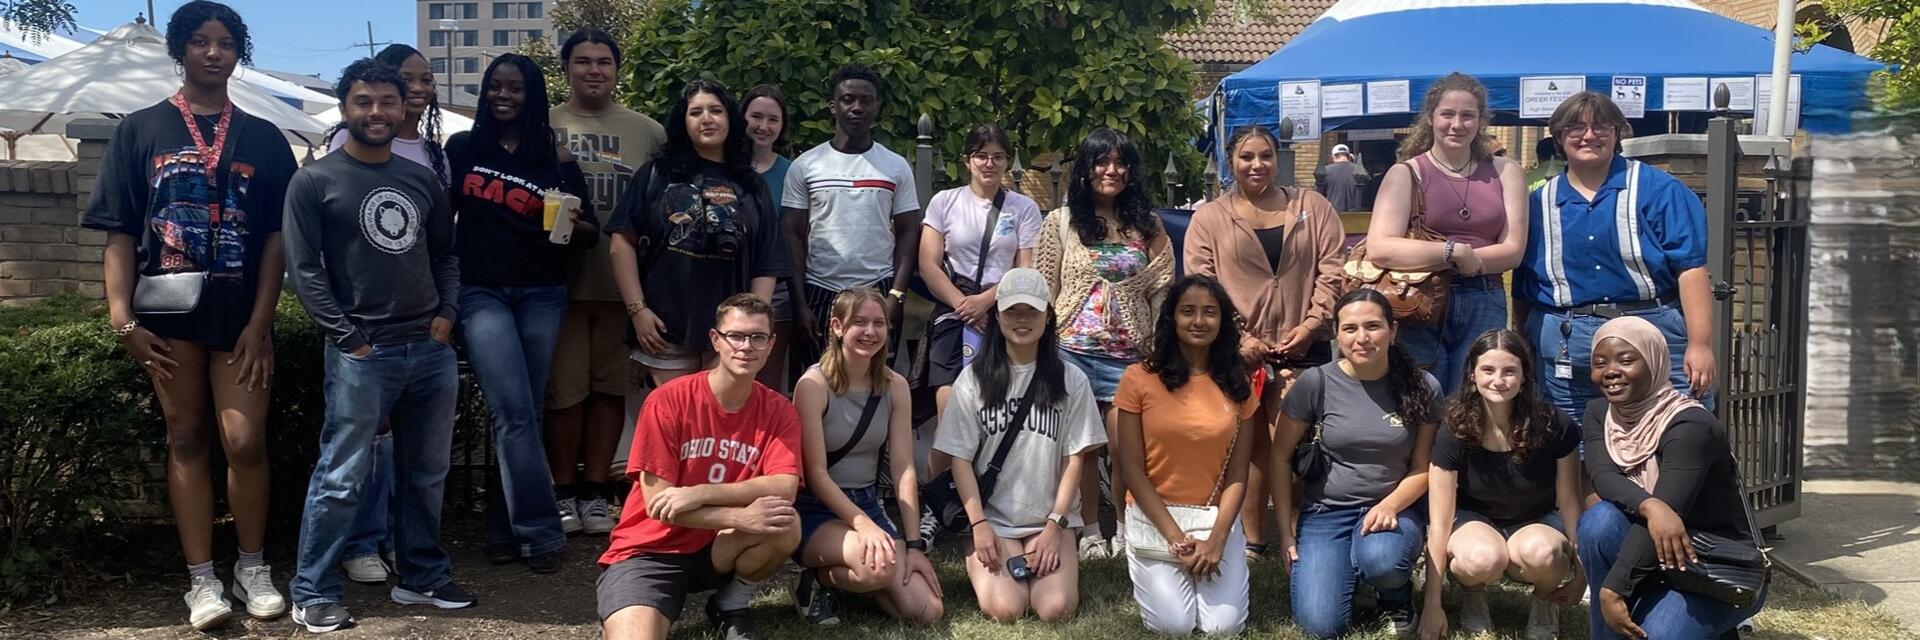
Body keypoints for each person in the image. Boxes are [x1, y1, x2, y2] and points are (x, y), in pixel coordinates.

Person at [81, 1, 294, 629]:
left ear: (238, 53)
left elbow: (278, 238)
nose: (212, 52)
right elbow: (120, 232)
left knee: (244, 440)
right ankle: (201, 581)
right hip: (166, 314)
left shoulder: (263, 137)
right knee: (186, 438)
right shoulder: (139, 131)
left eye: (225, 42)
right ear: (180, 50)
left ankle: (252, 565)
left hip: (238, 316)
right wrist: (122, 319)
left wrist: (262, 321)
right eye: (199, 41)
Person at [285, 58, 471, 633]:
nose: (376, 112)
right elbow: (304, 269)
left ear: (402, 107)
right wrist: (349, 339)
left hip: (429, 348)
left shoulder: (421, 179)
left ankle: (420, 575)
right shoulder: (315, 180)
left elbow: (445, 253)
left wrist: (446, 315)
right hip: (363, 354)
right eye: (363, 101)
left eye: (387, 101)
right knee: (342, 475)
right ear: (346, 108)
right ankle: (312, 588)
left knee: (425, 473)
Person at [446, 53, 598, 573]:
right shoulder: (463, 148)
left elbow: (589, 232)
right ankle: (539, 532)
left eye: (514, 88)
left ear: (533, 96)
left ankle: (501, 529)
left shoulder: (556, 157)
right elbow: (443, 221)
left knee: (524, 414)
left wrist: (564, 220)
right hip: (481, 292)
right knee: (512, 410)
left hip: (541, 292)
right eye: (495, 86)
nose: (502, 95)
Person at [597, 294, 803, 640]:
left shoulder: (780, 409)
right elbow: (659, 505)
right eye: (735, 336)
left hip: (718, 547)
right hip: (651, 551)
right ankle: (639, 604)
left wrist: (700, 493)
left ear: (771, 345)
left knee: (785, 521)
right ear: (715, 340)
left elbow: (784, 485)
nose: (746, 347)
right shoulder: (668, 400)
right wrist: (738, 516)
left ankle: (731, 601)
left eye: (757, 337)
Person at [1185, 124, 1346, 561]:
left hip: (1303, 346)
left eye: (1265, 156)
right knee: (1249, 444)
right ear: (1230, 162)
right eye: (1246, 157)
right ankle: (1254, 539)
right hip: (1238, 352)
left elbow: (1333, 270)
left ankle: (1296, 530)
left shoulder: (1312, 206)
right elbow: (1203, 282)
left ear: (1278, 158)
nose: (1257, 165)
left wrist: (1312, 325)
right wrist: (1241, 336)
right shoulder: (1210, 218)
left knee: (1298, 441)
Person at [324, 42, 449, 589]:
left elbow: (441, 241)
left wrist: (446, 308)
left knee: (411, 449)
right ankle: (362, 542)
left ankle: (408, 550)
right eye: (407, 79)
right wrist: (345, 331)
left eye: (424, 81)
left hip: (419, 323)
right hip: (364, 327)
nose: (417, 89)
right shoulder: (344, 147)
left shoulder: (433, 154)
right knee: (365, 442)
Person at [1515, 91, 1714, 423]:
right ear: (1559, 136)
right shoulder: (1537, 204)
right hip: (1566, 342)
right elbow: (1524, 285)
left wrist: (1701, 345)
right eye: (1576, 127)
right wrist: (1524, 345)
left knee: (1678, 436)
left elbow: (1690, 269)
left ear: (1618, 133)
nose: (1589, 135)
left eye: (1601, 126)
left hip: (1652, 332)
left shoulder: (1659, 190)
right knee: (1572, 449)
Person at [546, 29, 666, 538]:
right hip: (561, 284)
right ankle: (562, 492)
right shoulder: (545, 122)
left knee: (609, 392)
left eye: (603, 62)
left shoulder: (648, 132)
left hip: (623, 284)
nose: (593, 70)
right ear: (567, 68)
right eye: (583, 61)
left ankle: (597, 493)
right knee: (565, 393)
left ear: (617, 70)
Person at [935, 267, 1106, 623]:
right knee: (1006, 609)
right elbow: (961, 459)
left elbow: (1074, 459)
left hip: (1050, 519)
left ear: (1048, 316)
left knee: (1054, 608)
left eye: (1032, 310)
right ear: (997, 315)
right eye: (1012, 310)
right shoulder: (973, 379)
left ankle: (1046, 556)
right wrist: (979, 525)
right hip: (993, 519)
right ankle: (990, 556)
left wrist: (1055, 526)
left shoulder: (1070, 379)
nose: (1022, 319)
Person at [1577, 316, 1765, 639]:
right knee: (1598, 522)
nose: (1610, 371)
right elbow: (1603, 475)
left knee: (1659, 634)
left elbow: (1670, 514)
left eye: (1626, 360)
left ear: (1655, 361)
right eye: (1600, 362)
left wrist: (1613, 590)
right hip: (1652, 552)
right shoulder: (1600, 413)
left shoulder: (1690, 426)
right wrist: (1650, 506)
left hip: (1710, 565)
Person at [1035, 127, 1174, 560]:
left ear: (1131, 171)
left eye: (1120, 163)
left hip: (1129, 356)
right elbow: (1044, 286)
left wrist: (1158, 342)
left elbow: (1163, 285)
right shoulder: (1061, 222)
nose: (1111, 170)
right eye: (1101, 162)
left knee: (1123, 447)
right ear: (1086, 168)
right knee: (1084, 449)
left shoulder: (1146, 225)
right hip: (1072, 350)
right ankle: (1091, 531)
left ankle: (1126, 528)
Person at [1272, 289, 1443, 639]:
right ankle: (1351, 570)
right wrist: (1286, 532)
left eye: (1373, 326)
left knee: (1381, 561)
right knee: (1321, 628)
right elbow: (1280, 456)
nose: (1361, 338)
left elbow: (1423, 468)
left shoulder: (1423, 387)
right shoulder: (1315, 383)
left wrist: (1390, 504)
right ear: (1337, 333)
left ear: (1392, 331)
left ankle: (1393, 592)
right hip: (1325, 512)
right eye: (1350, 328)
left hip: (1393, 509)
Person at [607, 78, 787, 387]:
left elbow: (766, 262)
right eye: (696, 112)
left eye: (716, 110)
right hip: (666, 330)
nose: (707, 119)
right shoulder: (657, 174)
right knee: (676, 425)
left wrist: (752, 330)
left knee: (719, 428)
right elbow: (621, 242)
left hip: (732, 335)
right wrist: (638, 311)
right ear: (683, 121)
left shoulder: (750, 184)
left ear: (730, 118)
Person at [1365, 72, 1529, 396]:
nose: (1457, 124)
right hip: (1420, 301)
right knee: (1421, 397)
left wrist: (1472, 261)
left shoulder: (1506, 171)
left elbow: (1513, 249)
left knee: (1477, 398)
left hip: (1484, 299)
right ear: (1430, 118)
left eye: (1468, 115)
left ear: (1480, 121)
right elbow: (1380, 248)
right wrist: (1453, 253)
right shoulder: (1406, 173)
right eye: (1447, 114)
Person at [915, 122, 1044, 534]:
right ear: (967, 160)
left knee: (995, 412)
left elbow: (1025, 266)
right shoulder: (944, 202)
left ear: (1007, 161)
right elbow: (928, 264)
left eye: (998, 156)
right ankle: (933, 505)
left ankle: (983, 502)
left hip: (1001, 313)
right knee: (951, 413)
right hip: (953, 317)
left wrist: (988, 302)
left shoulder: (1023, 208)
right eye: (982, 155)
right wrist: (963, 304)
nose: (990, 163)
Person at [1113, 276, 1259, 635]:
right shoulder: (1139, 378)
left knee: (1223, 628)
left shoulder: (1237, 384)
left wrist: (1218, 541)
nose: (1198, 321)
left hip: (1215, 520)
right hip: (1155, 518)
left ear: (1223, 321)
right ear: (1172, 319)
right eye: (1188, 311)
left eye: (1209, 312)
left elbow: (1239, 474)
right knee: (1173, 625)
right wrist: (1177, 539)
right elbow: (1131, 469)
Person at [790, 289, 944, 626]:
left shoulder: (895, 386)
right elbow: (815, 473)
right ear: (837, 327)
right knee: (880, 567)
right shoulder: (813, 385)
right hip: (816, 506)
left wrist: (914, 544)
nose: (870, 332)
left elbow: (903, 469)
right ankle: (814, 581)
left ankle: (864, 572)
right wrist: (866, 528)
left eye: (879, 323)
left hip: (866, 502)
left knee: (926, 611)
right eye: (859, 322)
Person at [1421, 330, 1585, 640]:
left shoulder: (1555, 425)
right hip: (1475, 522)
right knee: (1480, 557)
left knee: (1545, 553)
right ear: (1472, 373)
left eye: (1510, 370)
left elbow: (1571, 503)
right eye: (1488, 370)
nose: (1499, 380)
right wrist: (1432, 604)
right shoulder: (1453, 429)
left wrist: (1581, 575)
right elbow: (1440, 523)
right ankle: (1473, 595)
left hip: (1537, 521)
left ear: (1525, 376)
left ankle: (1543, 601)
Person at [782, 63, 922, 354]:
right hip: (820, 290)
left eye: (866, 100)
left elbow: (909, 232)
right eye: (848, 99)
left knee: (875, 389)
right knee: (815, 386)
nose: (857, 107)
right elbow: (792, 235)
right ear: (833, 105)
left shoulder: (895, 166)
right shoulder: (806, 166)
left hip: (878, 290)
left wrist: (896, 297)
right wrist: (800, 303)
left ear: (876, 107)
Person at [742, 83, 797, 392]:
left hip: (777, 294)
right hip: (725, 283)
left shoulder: (792, 173)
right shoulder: (724, 168)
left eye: (773, 119)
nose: (763, 127)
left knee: (765, 385)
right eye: (756, 117)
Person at [1314, 144, 1370, 212]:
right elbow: (1368, 191)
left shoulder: (1326, 171)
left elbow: (1320, 193)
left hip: (1333, 212)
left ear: (1333, 157)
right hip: (1355, 214)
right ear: (1348, 156)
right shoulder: (1361, 170)